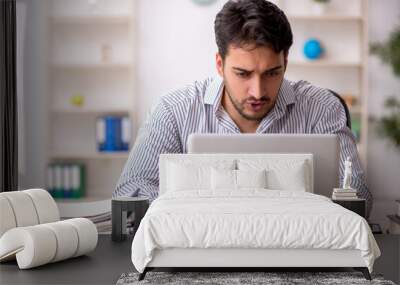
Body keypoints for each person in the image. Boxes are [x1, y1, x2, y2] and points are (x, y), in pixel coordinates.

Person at [113, 0, 372, 217]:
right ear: (219, 64)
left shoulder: (321, 108)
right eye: (243, 73)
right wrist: (196, 209)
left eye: (272, 73)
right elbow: (130, 193)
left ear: (286, 62)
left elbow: (358, 195)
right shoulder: (173, 110)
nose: (258, 92)